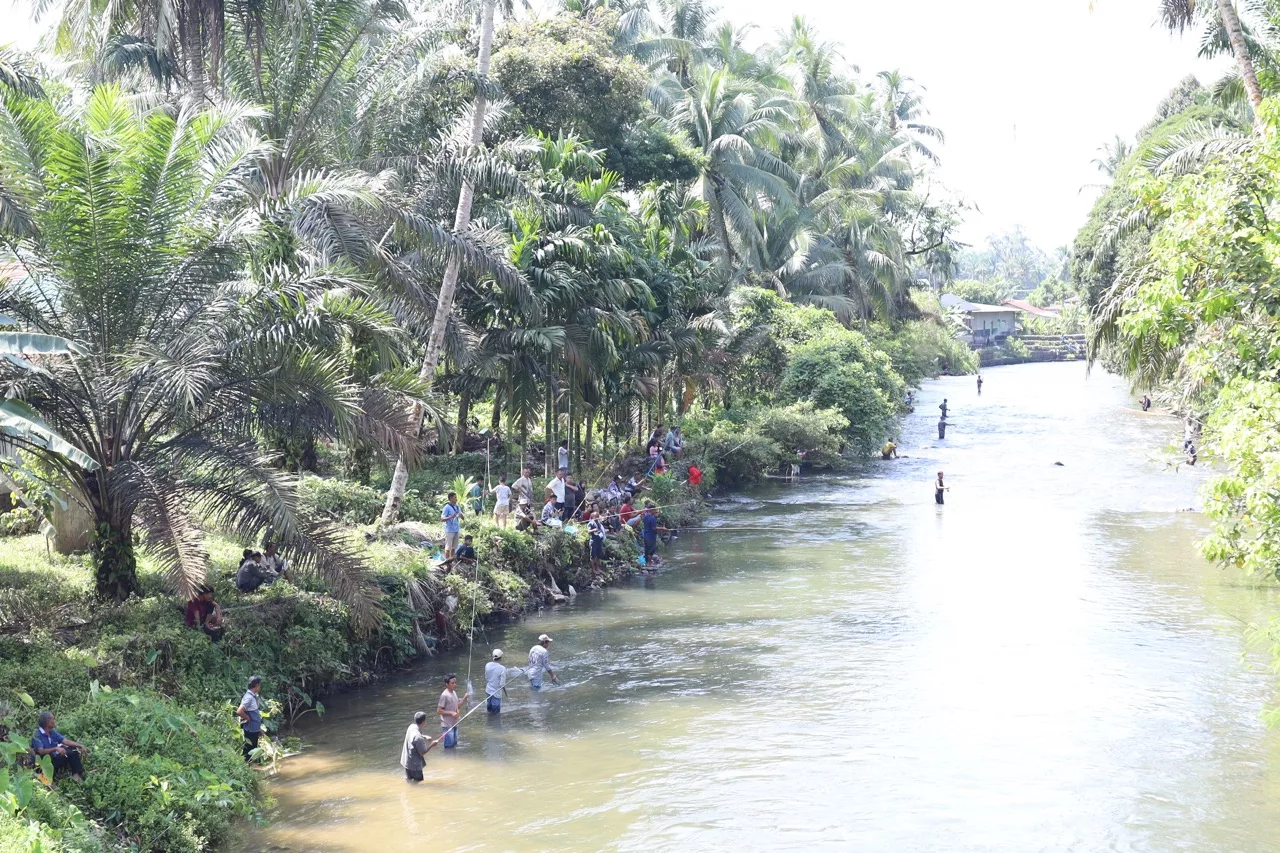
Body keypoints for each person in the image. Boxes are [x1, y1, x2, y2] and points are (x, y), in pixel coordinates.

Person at [31, 711, 87, 783]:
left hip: (55, 758)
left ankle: (76, 775)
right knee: (48, 756)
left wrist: (80, 745)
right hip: (43, 763)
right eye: (53, 719)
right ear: (47, 722)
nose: (54, 721)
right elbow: (40, 751)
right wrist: (55, 749)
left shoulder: (52, 731)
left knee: (73, 750)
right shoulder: (37, 734)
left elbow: (65, 741)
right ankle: (50, 782)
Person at [401, 711, 437, 782]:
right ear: (424, 722)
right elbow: (422, 753)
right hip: (415, 766)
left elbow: (414, 737)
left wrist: (425, 736)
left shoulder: (411, 727)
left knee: (409, 781)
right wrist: (432, 745)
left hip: (406, 762)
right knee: (418, 784)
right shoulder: (418, 738)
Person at [236, 676, 264, 761]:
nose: (260, 687)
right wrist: (247, 718)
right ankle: (245, 768)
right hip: (251, 730)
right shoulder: (249, 698)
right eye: (259, 685)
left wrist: (258, 729)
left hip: (254, 730)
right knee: (249, 752)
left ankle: (249, 768)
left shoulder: (252, 696)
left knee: (251, 751)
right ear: (257, 685)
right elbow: (239, 711)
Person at [437, 674, 468, 749]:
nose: (455, 685)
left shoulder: (454, 692)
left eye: (455, 683)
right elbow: (439, 711)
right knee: (448, 748)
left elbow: (457, 707)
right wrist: (451, 713)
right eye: (452, 683)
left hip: (455, 724)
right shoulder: (444, 695)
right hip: (447, 725)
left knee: (454, 745)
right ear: (447, 684)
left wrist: (464, 699)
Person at [441, 492, 463, 560]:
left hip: (456, 529)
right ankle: (447, 560)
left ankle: (451, 559)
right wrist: (451, 516)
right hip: (449, 530)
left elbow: (462, 517)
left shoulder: (457, 507)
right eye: (455, 497)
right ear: (450, 498)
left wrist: (461, 515)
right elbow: (442, 519)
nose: (456, 499)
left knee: (454, 547)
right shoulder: (447, 507)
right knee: (448, 547)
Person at [484, 649, 508, 714]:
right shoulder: (502, 668)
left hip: (488, 691)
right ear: (501, 658)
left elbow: (486, 677)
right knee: (496, 715)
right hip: (496, 694)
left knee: (489, 712)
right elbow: (502, 684)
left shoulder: (487, 665)